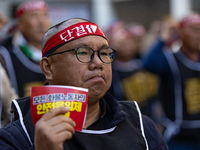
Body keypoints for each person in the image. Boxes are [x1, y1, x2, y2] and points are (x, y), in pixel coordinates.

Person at [0, 18, 168, 150]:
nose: (98, 63)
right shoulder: (16, 136)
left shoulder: (142, 127)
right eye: (83, 52)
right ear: (48, 67)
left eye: (104, 53)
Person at [143, 13, 200, 149]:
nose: (198, 34)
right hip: (179, 137)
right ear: (180, 33)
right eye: (193, 29)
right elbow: (149, 64)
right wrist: (165, 37)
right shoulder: (169, 59)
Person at [0, 0, 51, 97]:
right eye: (34, 16)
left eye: (45, 15)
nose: (41, 22)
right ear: (20, 25)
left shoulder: (59, 53)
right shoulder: (5, 56)